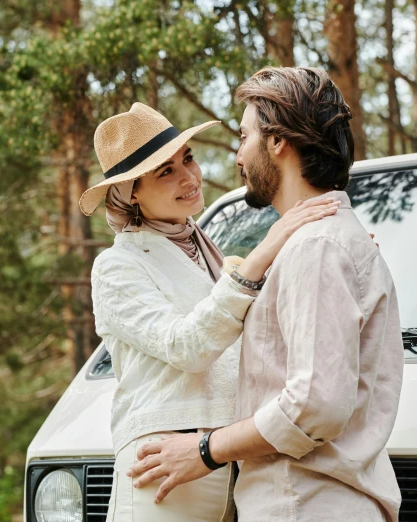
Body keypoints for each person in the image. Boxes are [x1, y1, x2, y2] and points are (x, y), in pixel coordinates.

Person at [127, 67, 404, 521]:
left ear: (277, 142)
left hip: (304, 505)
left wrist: (205, 450)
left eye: (244, 136)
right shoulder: (320, 243)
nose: (237, 156)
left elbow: (316, 403)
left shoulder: (317, 246)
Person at [78, 101, 340, 522]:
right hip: (162, 469)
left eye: (188, 159)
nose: (189, 177)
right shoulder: (117, 266)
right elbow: (187, 346)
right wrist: (264, 251)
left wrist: (332, 255)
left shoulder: (203, 249)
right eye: (165, 171)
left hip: (227, 461)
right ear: (131, 196)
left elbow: (253, 323)